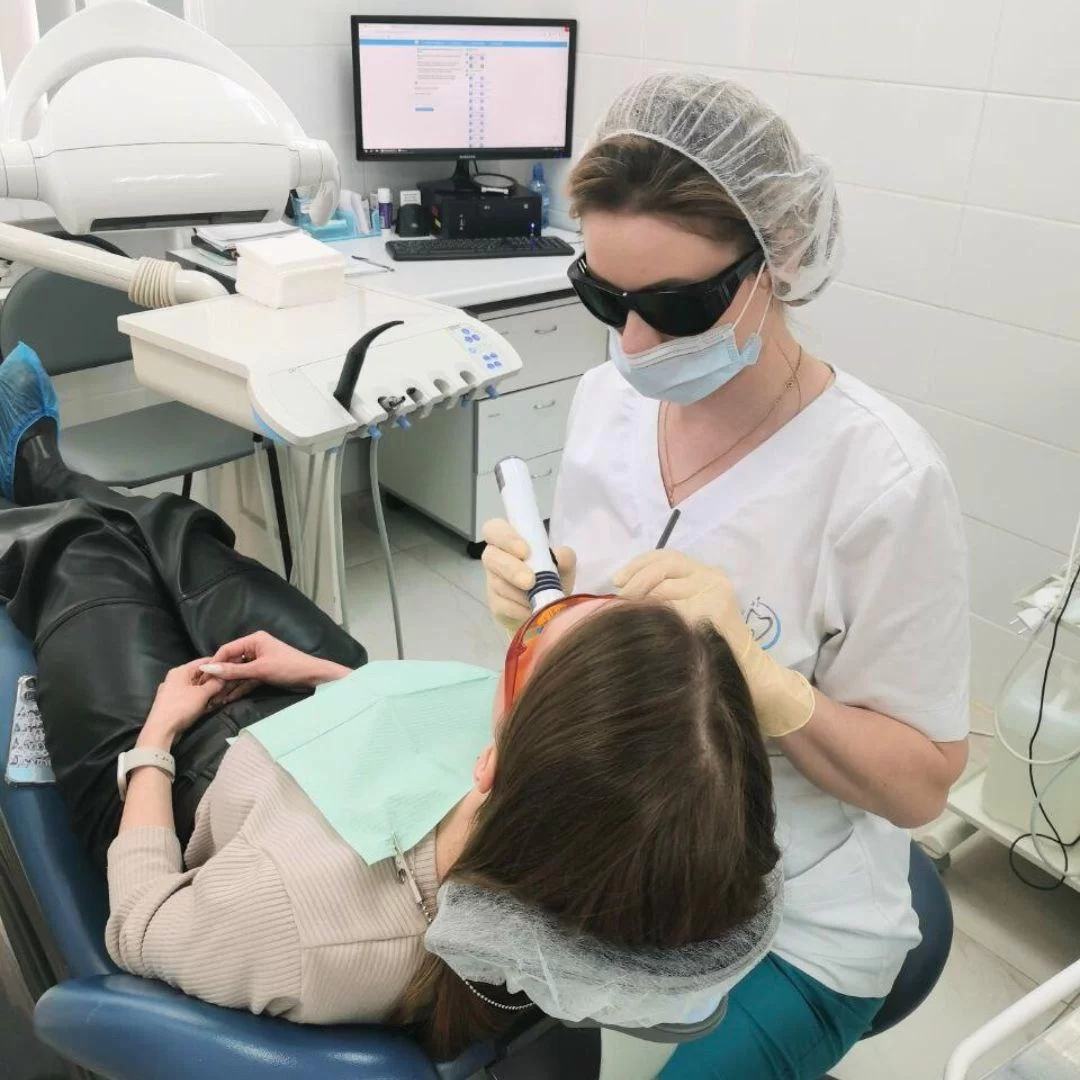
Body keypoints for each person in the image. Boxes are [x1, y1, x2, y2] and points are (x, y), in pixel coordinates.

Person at [0, 342, 781, 1062]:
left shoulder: (295, 923)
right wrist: (321, 676)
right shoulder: (564, 810)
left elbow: (140, 929)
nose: (545, 613)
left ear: (489, 766)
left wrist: (154, 743)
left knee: (83, 545)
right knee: (177, 528)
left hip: (191, 787)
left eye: (538, 649)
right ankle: (47, 475)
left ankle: (38, 474)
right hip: (317, 725)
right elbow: (424, 734)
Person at [482, 72, 971, 1078]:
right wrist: (545, 611)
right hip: (609, 838)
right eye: (604, 297)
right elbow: (593, 634)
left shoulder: (882, 481)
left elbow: (922, 786)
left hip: (800, 905)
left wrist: (768, 686)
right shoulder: (606, 403)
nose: (633, 343)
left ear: (779, 256)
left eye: (677, 305)